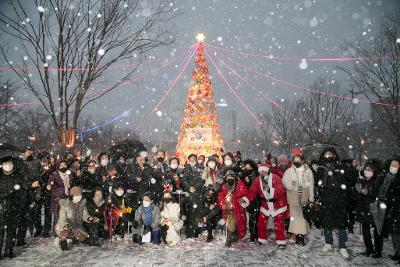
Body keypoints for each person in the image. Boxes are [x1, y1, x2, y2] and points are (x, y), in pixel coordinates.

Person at [241, 165, 288, 249]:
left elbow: (281, 190)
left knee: (279, 223)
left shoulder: (275, 178)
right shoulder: (257, 180)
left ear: (267, 171)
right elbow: (252, 191)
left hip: (278, 204)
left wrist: (269, 191)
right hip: (265, 204)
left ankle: (281, 241)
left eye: (263, 171)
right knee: (261, 222)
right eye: (260, 172)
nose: (261, 173)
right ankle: (262, 239)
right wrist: (246, 199)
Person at [315, 148, 350, 259]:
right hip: (326, 199)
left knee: (341, 223)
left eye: (330, 154)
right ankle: (328, 242)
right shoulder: (321, 168)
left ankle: (342, 246)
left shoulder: (340, 167)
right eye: (326, 154)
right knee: (327, 222)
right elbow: (317, 183)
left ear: (334, 155)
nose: (328, 156)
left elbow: (346, 181)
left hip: (339, 200)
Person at [282, 155, 314, 246]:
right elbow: (284, 181)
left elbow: (311, 185)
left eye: (298, 160)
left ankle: (300, 236)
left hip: (304, 197)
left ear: (303, 160)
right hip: (293, 197)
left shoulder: (308, 171)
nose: (296, 162)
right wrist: (290, 185)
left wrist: (311, 198)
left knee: (303, 218)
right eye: (295, 160)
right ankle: (298, 236)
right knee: (296, 219)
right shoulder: (289, 171)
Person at [354, 159, 383, 258]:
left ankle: (378, 250)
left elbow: (379, 194)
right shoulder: (361, 179)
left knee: (377, 231)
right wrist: (358, 188)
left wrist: (369, 192)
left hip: (374, 208)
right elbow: (358, 194)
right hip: (363, 209)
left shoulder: (377, 180)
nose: (367, 171)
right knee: (365, 230)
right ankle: (369, 248)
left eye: (370, 169)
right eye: (366, 169)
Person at [0, 156, 26, 259]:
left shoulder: (18, 177)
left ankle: (9, 250)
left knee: (11, 231)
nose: (8, 166)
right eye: (6, 164)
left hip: (13, 208)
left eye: (10, 163)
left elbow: (22, 192)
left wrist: (18, 204)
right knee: (0, 231)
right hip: (1, 208)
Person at [55, 186, 91, 250]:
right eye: (77, 195)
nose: (79, 196)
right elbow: (62, 218)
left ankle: (75, 238)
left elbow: (85, 215)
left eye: (80, 195)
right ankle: (63, 241)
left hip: (76, 225)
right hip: (64, 226)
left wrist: (88, 218)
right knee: (64, 232)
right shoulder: (65, 204)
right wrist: (65, 225)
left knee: (82, 237)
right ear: (72, 195)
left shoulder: (82, 204)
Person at [218, 170, 248, 246]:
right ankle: (228, 239)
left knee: (239, 223)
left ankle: (235, 235)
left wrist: (238, 198)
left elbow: (244, 193)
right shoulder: (224, 186)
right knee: (230, 222)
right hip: (228, 208)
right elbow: (220, 197)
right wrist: (223, 205)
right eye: (228, 177)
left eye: (232, 176)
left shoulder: (239, 184)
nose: (230, 178)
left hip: (238, 208)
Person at [381, 158, 400, 263]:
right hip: (391, 207)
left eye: (396, 165)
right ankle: (397, 250)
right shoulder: (388, 176)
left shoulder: (396, 178)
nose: (393, 167)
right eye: (392, 165)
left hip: (397, 207)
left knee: (398, 230)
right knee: (394, 231)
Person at [238, 159, 260, 242]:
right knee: (251, 217)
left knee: (256, 217)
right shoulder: (243, 174)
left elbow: (257, 185)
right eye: (246, 166)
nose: (247, 167)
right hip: (247, 198)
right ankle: (252, 234)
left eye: (249, 166)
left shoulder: (256, 174)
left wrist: (250, 181)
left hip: (256, 198)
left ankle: (256, 234)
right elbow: (241, 186)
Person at [47, 160, 71, 236]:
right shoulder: (55, 174)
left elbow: (72, 184)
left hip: (67, 197)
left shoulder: (69, 174)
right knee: (57, 217)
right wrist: (50, 185)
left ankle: (65, 232)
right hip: (57, 198)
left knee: (65, 216)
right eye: (61, 165)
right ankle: (56, 234)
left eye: (64, 165)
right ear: (58, 166)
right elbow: (50, 182)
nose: (63, 166)